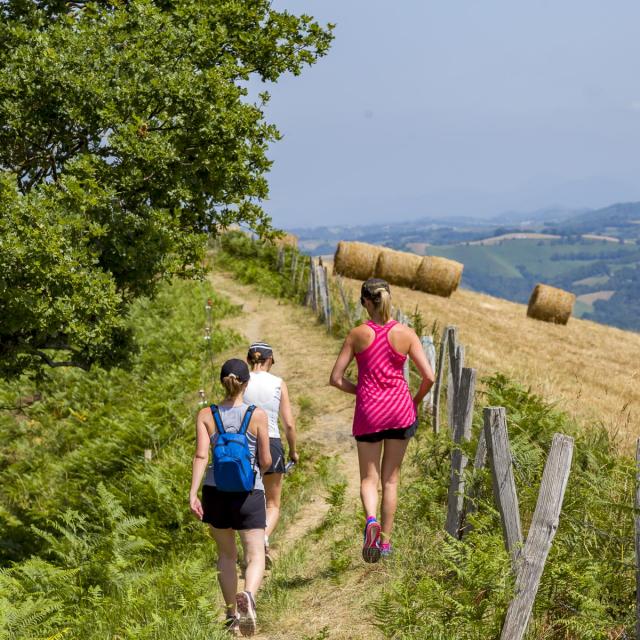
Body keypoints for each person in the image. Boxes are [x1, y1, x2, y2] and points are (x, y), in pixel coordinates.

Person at [329, 278, 435, 563]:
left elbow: (336, 379)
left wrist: (359, 390)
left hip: (369, 413)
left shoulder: (357, 335)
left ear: (365, 301)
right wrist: (413, 401)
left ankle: (371, 520)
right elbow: (430, 377)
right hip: (401, 411)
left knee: (368, 478)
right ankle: (385, 544)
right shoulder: (406, 334)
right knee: (391, 480)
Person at [189, 358, 272, 636]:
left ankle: (231, 614)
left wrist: (193, 493)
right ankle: (248, 595)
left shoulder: (206, 415)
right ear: (245, 383)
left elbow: (201, 455)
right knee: (255, 554)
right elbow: (266, 459)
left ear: (222, 382)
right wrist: (263, 470)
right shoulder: (257, 414)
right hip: (249, 491)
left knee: (226, 555)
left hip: (215, 492)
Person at [243, 342, 298, 567]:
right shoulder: (278, 383)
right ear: (269, 360)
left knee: (247, 498)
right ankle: (263, 539)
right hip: (272, 442)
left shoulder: (240, 380)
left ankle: (251, 548)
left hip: (245, 445)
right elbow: (289, 425)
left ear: (249, 360)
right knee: (273, 503)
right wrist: (293, 451)